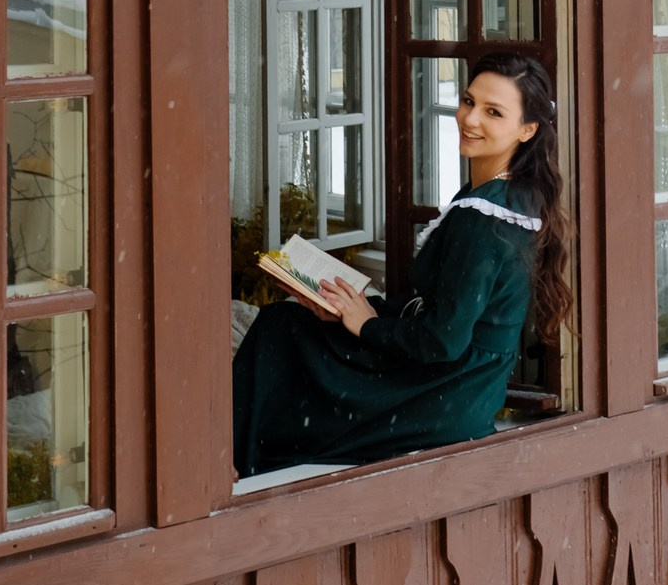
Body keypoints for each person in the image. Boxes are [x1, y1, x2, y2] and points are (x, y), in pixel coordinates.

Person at [232, 52, 571, 478]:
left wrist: (367, 325)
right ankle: (242, 457)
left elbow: (443, 341)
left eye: (493, 112)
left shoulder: (482, 220)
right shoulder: (511, 197)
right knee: (294, 325)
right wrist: (359, 310)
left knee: (281, 332)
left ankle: (231, 465)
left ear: (528, 129)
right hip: (466, 390)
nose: (469, 119)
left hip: (441, 395)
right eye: (468, 101)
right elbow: (453, 314)